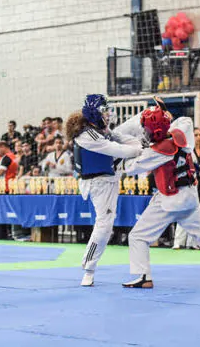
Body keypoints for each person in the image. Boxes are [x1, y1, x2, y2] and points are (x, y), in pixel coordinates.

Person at [119, 101, 200, 289]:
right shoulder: (184, 135)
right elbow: (183, 121)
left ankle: (144, 277)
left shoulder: (157, 151)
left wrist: (124, 154)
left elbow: (130, 168)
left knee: (137, 236)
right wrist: (165, 115)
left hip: (170, 200)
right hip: (190, 198)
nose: (143, 131)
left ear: (155, 132)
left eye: (146, 129)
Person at [66, 94, 142, 287]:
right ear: (94, 113)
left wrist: (131, 139)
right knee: (104, 227)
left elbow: (120, 140)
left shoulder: (98, 130)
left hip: (109, 176)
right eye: (105, 112)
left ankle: (148, 115)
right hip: (99, 184)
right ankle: (88, 268)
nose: (108, 115)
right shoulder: (88, 136)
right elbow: (121, 151)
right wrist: (140, 150)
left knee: (128, 129)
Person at [173, 127, 200, 249]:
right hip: (187, 184)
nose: (198, 137)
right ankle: (179, 242)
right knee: (184, 211)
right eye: (195, 135)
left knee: (198, 213)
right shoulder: (186, 150)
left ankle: (193, 242)